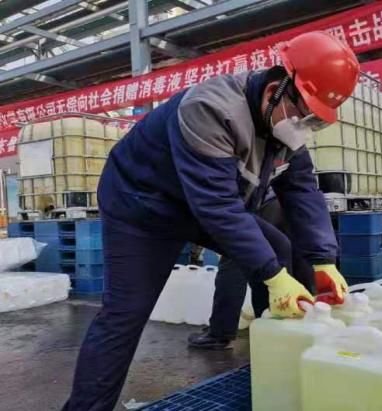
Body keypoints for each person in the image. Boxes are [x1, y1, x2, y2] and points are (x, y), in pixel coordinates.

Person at [62, 31, 359, 410]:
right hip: (143, 207)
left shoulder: (284, 123)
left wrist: (323, 259)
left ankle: (278, 367)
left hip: (202, 201)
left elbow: (302, 190)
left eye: (316, 122)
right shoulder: (210, 109)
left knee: (279, 251)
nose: (306, 127)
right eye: (306, 115)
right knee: (125, 314)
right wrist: (272, 275)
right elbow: (218, 208)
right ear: (276, 90)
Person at [188, 197, 315, 350]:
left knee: (236, 257)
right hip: (288, 203)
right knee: (272, 258)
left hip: (263, 204)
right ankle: (272, 328)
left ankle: (221, 333)